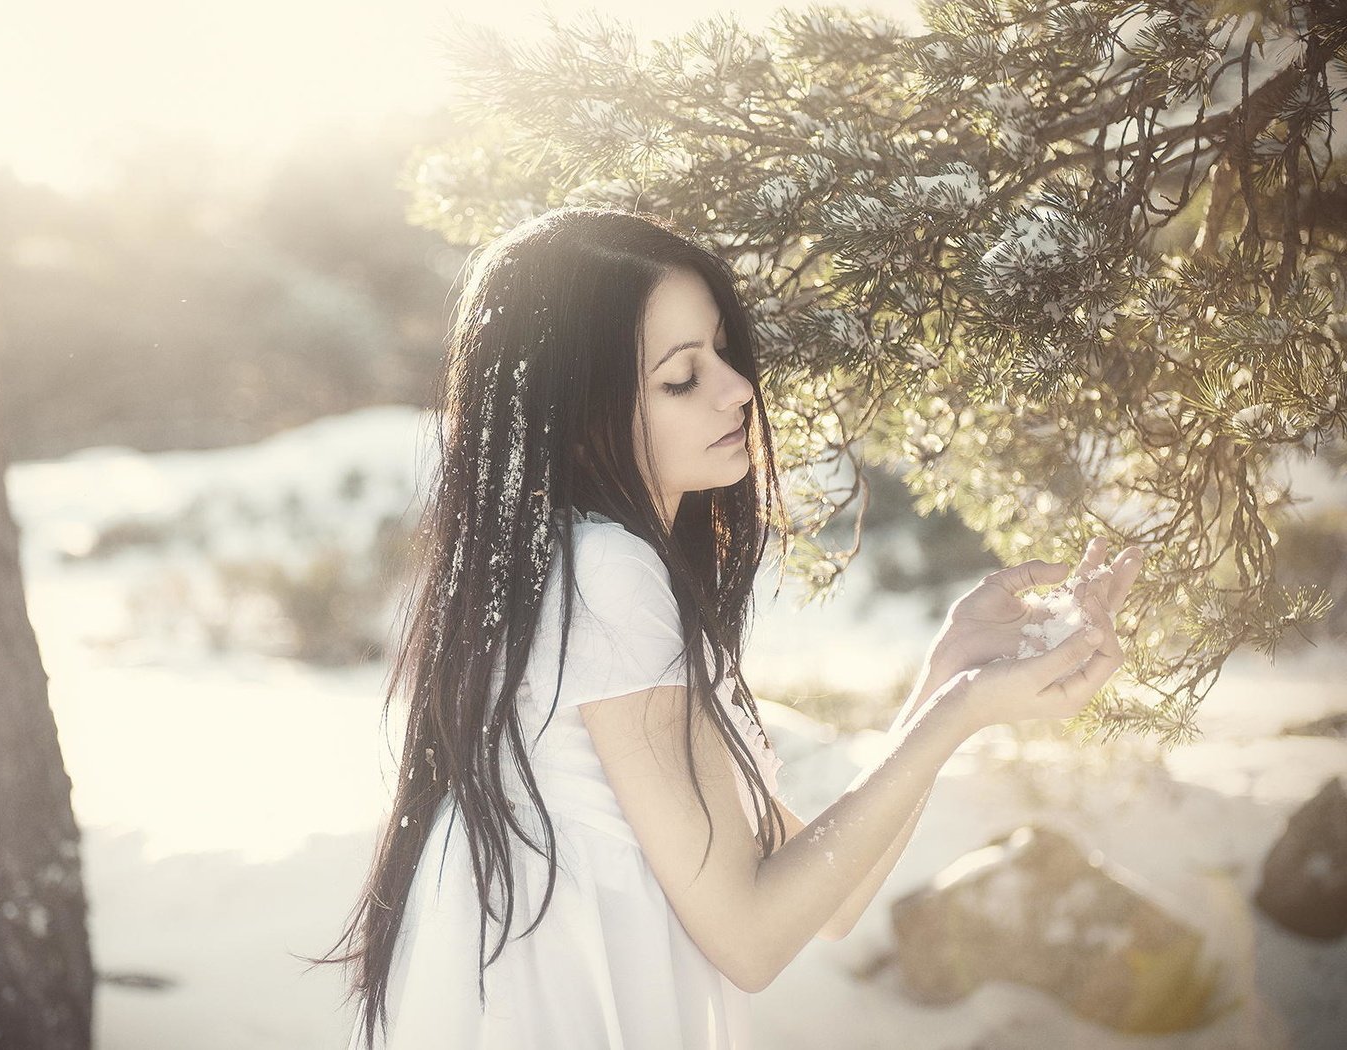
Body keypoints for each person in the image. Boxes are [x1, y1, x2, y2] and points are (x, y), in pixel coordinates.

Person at [296, 206, 1146, 1048]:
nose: (739, 388)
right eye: (681, 376)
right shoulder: (609, 578)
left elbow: (827, 900)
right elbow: (751, 941)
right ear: (580, 414)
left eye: (723, 354)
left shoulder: (562, 569)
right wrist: (962, 710)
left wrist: (949, 674)